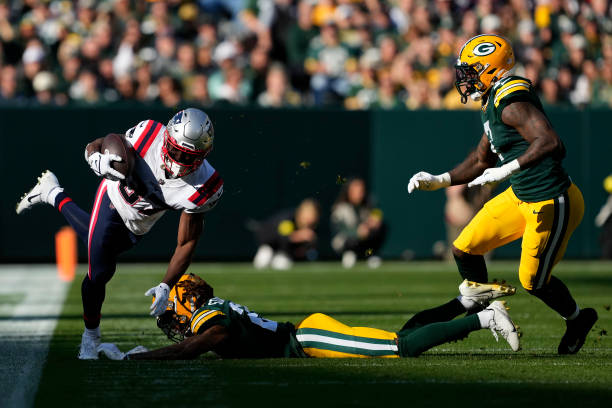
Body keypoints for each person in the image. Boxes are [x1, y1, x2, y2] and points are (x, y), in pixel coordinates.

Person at [407, 34, 597, 355]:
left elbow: (552, 142)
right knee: (465, 248)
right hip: (521, 195)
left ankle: (577, 319)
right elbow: (483, 159)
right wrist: (441, 179)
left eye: (471, 71)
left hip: (550, 200)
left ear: (490, 70)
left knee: (532, 281)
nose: (464, 79)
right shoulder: (494, 99)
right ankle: (484, 312)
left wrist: (509, 169)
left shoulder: (511, 102)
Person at [15, 108, 224, 360]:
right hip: (112, 198)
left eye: (188, 155)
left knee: (103, 254)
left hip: (138, 224)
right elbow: (102, 143)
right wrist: (93, 156)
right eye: (175, 149)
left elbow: (187, 240)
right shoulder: (149, 134)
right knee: (100, 270)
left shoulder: (205, 186)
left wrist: (166, 285)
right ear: (167, 137)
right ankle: (90, 338)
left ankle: (52, 193)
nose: (178, 158)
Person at [96, 273, 520, 360]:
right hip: (308, 333)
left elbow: (206, 341)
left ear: (186, 301)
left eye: (173, 312)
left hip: (308, 340)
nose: (173, 322)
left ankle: (485, 318)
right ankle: (464, 303)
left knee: (399, 347)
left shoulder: (210, 315)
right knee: (400, 334)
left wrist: (139, 357)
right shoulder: (212, 308)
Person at [330, 178, 387, 268]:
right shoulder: (340, 208)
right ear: (348, 191)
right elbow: (338, 231)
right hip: (346, 242)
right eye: (355, 191)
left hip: (364, 241)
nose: (359, 194)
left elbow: (377, 213)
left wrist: (373, 222)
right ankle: (349, 254)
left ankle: (370, 255)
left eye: (361, 191)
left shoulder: (368, 205)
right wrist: (356, 232)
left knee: (380, 228)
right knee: (347, 241)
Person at [251, 198, 319, 270]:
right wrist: (299, 236)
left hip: (284, 254)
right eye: (307, 213)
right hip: (269, 247)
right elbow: (281, 238)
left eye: (312, 215)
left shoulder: (311, 226)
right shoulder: (288, 219)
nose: (309, 219)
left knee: (283, 264)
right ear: (301, 212)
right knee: (262, 262)